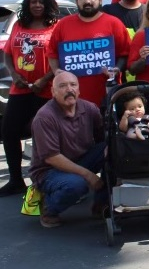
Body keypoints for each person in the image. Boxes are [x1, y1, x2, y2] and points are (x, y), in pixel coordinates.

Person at [0, 0, 60, 197]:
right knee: (9, 131)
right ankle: (16, 180)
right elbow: (8, 54)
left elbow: (60, 59)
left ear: (48, 5)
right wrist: (15, 76)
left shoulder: (56, 27)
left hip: (47, 91)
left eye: (41, 2)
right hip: (21, 89)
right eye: (33, 2)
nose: (37, 5)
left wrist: (44, 80)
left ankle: (47, 180)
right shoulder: (19, 25)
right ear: (28, 5)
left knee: (45, 136)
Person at [28, 71, 106, 228]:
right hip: (49, 170)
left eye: (73, 85)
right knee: (77, 185)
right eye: (62, 86)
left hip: (81, 160)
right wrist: (89, 175)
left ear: (78, 90)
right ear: (53, 92)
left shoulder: (90, 109)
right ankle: (49, 208)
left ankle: (101, 204)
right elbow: (52, 157)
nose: (69, 89)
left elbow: (102, 140)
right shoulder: (44, 117)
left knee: (114, 150)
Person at [47, 0, 131, 106]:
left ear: (100, 0)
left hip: (106, 96)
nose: (87, 1)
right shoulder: (63, 24)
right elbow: (52, 53)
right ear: (76, 1)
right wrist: (56, 71)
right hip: (71, 99)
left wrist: (117, 69)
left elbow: (125, 53)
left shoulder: (114, 23)